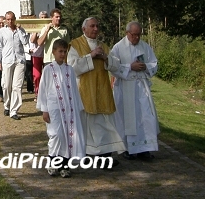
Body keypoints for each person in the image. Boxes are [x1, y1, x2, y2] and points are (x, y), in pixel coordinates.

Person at [67, 17, 126, 161]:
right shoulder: (75, 45)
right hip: (84, 90)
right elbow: (71, 67)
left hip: (102, 89)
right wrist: (91, 56)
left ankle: (105, 155)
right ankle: (87, 153)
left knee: (104, 124)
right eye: (92, 26)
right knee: (87, 124)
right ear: (83, 29)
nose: (95, 29)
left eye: (97, 26)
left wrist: (106, 58)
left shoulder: (104, 46)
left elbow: (117, 66)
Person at [37, 39, 86, 178]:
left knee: (68, 136)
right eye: (60, 51)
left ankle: (64, 166)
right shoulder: (48, 69)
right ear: (53, 52)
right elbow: (43, 90)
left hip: (69, 109)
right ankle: (52, 162)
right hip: (54, 108)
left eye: (65, 51)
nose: (63, 54)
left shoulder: (69, 70)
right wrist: (44, 109)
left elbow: (75, 90)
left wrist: (78, 107)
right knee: (56, 135)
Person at [111, 21, 159, 161]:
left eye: (139, 35)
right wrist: (129, 66)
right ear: (127, 33)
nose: (136, 38)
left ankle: (145, 149)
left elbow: (154, 63)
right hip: (126, 87)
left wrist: (145, 67)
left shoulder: (145, 47)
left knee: (145, 118)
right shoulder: (118, 48)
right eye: (134, 35)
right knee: (127, 119)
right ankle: (128, 149)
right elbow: (113, 67)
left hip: (141, 87)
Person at [0, 11, 29, 120]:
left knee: (17, 86)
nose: (10, 21)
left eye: (12, 19)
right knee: (6, 85)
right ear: (5, 20)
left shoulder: (20, 30)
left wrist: (19, 30)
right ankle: (7, 105)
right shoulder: (2, 32)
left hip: (19, 60)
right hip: (7, 60)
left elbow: (25, 41)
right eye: (8, 19)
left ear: (15, 19)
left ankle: (14, 111)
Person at [30, 11, 48, 98]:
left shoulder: (49, 27)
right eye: (42, 18)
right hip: (36, 54)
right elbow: (32, 40)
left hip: (46, 54)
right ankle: (37, 93)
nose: (43, 19)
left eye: (45, 17)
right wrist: (36, 30)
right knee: (37, 76)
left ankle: (45, 93)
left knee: (46, 75)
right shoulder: (36, 27)